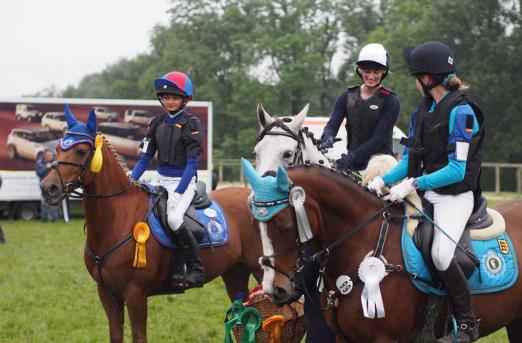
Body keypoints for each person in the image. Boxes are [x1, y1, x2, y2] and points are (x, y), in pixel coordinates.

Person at [368, 41, 484, 343]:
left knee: (441, 254)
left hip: (455, 197)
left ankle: (469, 324)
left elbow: (457, 171)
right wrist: (384, 181)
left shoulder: (463, 113)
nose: (416, 83)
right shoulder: (421, 113)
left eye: (416, 77)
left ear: (427, 78)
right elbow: (409, 160)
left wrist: (416, 183)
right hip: (427, 194)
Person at [130, 70, 205, 288]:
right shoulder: (155, 123)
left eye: (174, 97)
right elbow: (145, 158)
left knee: (173, 219)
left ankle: (195, 270)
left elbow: (192, 164)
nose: (170, 101)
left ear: (184, 100)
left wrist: (180, 191)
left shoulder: (192, 124)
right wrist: (132, 180)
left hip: (184, 181)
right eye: (166, 97)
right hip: (160, 179)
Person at [321, 43, 400, 171]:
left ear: (384, 72)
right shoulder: (346, 96)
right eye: (367, 71)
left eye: (376, 72)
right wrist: (327, 136)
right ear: (360, 70)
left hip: (380, 162)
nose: (371, 76)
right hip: (352, 162)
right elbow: (332, 124)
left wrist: (352, 157)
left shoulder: (390, 100)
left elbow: (378, 139)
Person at [35, 149, 59, 223]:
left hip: (53, 186)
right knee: (44, 203)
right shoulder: (39, 163)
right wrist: (46, 167)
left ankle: (54, 220)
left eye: (51, 155)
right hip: (44, 186)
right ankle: (44, 220)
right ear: (45, 155)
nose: (51, 157)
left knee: (54, 202)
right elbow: (38, 173)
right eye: (49, 155)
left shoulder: (55, 162)